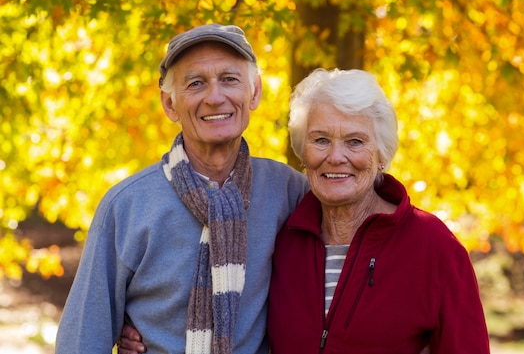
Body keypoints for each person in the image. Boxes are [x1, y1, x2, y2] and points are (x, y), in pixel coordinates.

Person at [55, 24, 309, 354]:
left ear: (255, 92)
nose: (215, 97)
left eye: (230, 79)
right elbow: (82, 339)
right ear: (170, 104)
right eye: (195, 83)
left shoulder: (289, 192)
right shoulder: (127, 205)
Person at [267, 68, 490, 353]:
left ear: (381, 153)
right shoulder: (282, 241)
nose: (335, 157)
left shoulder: (434, 246)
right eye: (320, 140)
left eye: (355, 142)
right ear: (302, 150)